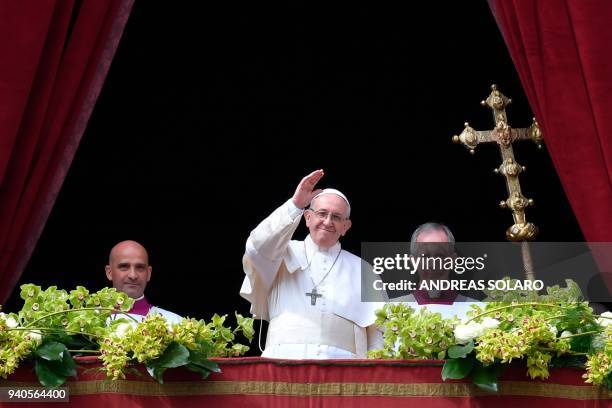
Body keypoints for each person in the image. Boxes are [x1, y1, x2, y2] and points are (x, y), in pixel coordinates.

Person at [240, 169, 382, 359]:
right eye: (322, 213)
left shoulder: (363, 269)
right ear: (307, 217)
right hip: (282, 365)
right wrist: (295, 205)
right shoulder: (280, 252)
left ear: (346, 227)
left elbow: (376, 336)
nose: (328, 221)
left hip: (344, 372)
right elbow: (255, 247)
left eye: (337, 217)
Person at [391, 223, 481, 320]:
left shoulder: (478, 311)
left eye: (440, 255)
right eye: (425, 256)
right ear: (413, 261)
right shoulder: (392, 312)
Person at [105, 240, 182, 324]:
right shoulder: (90, 319)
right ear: (109, 273)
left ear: (149, 273)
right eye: (124, 267)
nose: (133, 275)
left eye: (140, 267)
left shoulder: (175, 322)